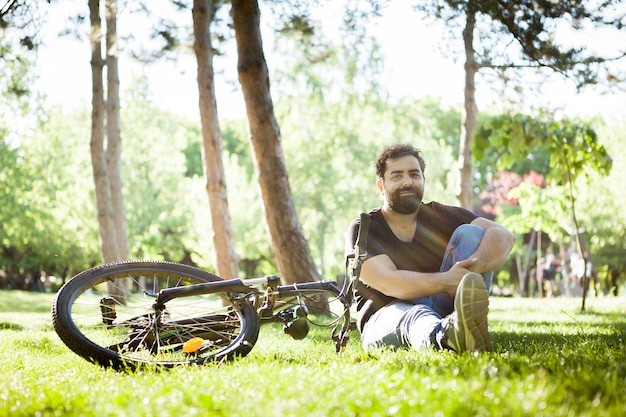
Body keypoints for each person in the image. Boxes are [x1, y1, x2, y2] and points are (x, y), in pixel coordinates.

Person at [345, 144, 515, 353]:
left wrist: (469, 271)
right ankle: (445, 338)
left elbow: (504, 236)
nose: (407, 181)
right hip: (387, 316)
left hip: (442, 308)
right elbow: (388, 282)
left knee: (474, 235)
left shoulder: (439, 214)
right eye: (397, 176)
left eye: (414, 174)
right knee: (415, 315)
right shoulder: (364, 228)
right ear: (381, 186)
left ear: (423, 180)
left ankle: (464, 327)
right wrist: (448, 281)